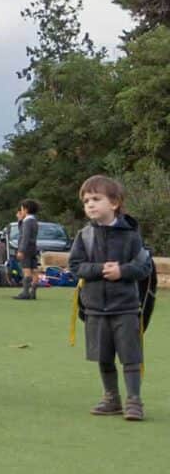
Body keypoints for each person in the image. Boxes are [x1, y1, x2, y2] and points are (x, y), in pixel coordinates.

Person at [68, 175, 152, 422]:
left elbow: (144, 267)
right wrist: (99, 269)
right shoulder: (84, 236)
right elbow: (75, 265)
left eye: (96, 199)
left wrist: (122, 272)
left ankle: (134, 401)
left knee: (130, 356)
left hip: (125, 308)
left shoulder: (131, 235)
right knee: (103, 357)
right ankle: (111, 399)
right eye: (86, 201)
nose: (90, 205)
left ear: (114, 203)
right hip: (95, 309)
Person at [13, 199, 42, 300]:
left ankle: (25, 292)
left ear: (26, 210)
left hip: (26, 249)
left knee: (26, 270)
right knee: (34, 270)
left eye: (21, 209)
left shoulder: (27, 221)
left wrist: (21, 250)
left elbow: (24, 236)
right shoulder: (34, 221)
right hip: (33, 247)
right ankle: (33, 292)